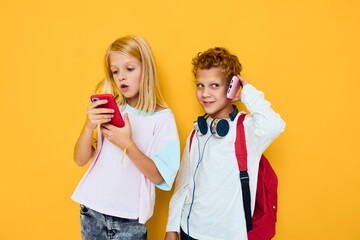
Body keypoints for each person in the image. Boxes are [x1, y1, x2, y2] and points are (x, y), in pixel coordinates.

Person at [165, 47, 285, 240]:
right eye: (200, 85)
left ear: (232, 87)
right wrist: (172, 227)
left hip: (229, 235)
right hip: (190, 231)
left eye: (214, 85)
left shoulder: (246, 128)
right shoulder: (197, 132)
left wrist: (247, 93)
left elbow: (274, 126)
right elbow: (183, 184)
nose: (205, 94)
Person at [71, 35, 180, 240]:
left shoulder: (163, 119)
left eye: (129, 69)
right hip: (91, 210)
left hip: (128, 219)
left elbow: (160, 177)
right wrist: (88, 126)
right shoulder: (112, 109)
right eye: (115, 71)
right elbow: (80, 159)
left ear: (146, 69)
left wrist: (127, 144)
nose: (121, 76)